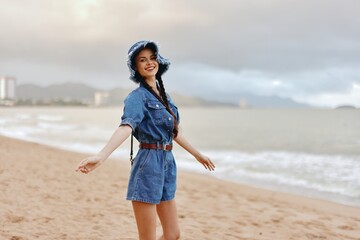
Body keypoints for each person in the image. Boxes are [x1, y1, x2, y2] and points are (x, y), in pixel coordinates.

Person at [76, 40, 215, 240]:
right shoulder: (136, 97)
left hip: (168, 162)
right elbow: (126, 126)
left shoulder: (165, 97)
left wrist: (198, 155)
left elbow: (175, 133)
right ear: (136, 67)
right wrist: (101, 156)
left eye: (152, 58)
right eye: (142, 60)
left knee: (173, 234)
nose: (149, 62)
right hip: (148, 163)